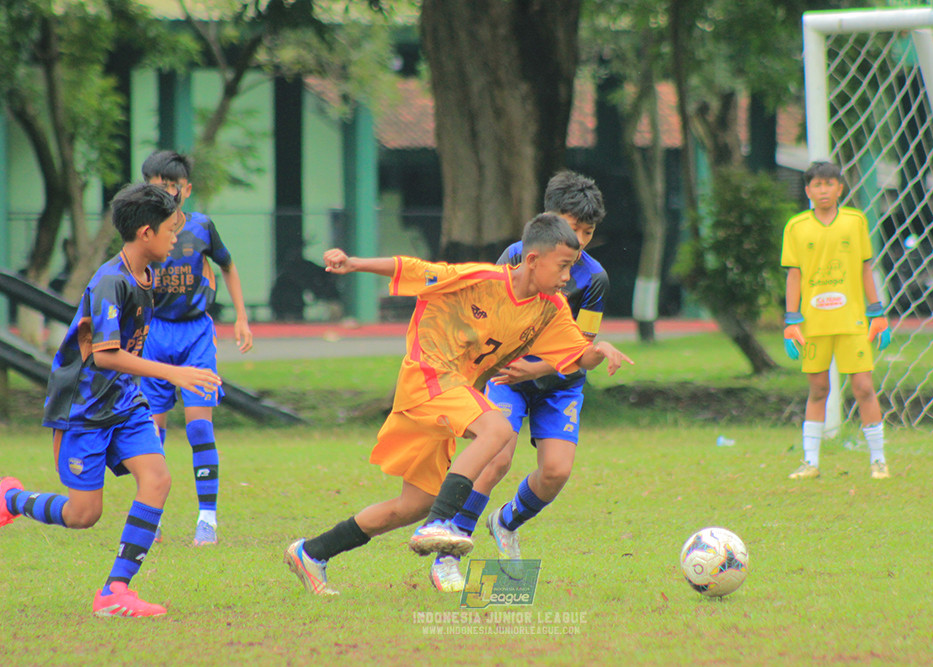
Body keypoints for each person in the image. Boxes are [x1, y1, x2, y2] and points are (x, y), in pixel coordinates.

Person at [282, 213, 633, 595]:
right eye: (563, 266)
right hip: (428, 375)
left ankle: (312, 552)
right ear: (533, 260)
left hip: (453, 394)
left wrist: (601, 349)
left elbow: (578, 355)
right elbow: (416, 270)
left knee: (412, 505)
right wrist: (354, 263)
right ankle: (442, 522)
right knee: (497, 429)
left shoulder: (551, 308)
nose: (568, 276)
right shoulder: (483, 279)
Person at [0, 183, 222, 617]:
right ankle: (11, 499)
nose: (175, 238)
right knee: (83, 515)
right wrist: (174, 373)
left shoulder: (149, 274)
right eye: (169, 230)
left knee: (157, 479)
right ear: (145, 232)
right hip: (83, 409)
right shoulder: (110, 282)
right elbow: (104, 356)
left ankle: (115, 590)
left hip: (125, 402)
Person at [428, 170, 610, 592]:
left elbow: (581, 348)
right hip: (508, 374)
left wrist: (541, 368)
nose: (580, 240)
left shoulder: (595, 279)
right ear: (549, 218)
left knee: (556, 472)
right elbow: (489, 316)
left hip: (559, 384)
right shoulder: (516, 256)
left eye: (588, 232)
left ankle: (505, 522)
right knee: (496, 459)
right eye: (573, 228)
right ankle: (448, 554)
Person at [140, 150, 253, 546]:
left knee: (199, 426)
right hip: (154, 336)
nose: (165, 193)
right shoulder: (141, 232)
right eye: (156, 186)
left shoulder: (202, 227)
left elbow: (228, 266)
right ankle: (150, 520)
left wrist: (241, 317)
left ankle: (207, 520)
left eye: (171, 186)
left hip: (195, 336)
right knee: (151, 434)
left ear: (185, 189)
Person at [781, 161, 891, 481]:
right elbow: (794, 275)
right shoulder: (796, 227)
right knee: (818, 389)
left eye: (829, 184)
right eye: (817, 185)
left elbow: (866, 268)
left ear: (840, 188)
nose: (823, 190)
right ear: (808, 190)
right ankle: (810, 462)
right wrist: (791, 320)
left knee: (864, 387)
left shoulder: (855, 222)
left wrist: (877, 312)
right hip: (814, 325)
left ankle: (878, 460)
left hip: (852, 322)